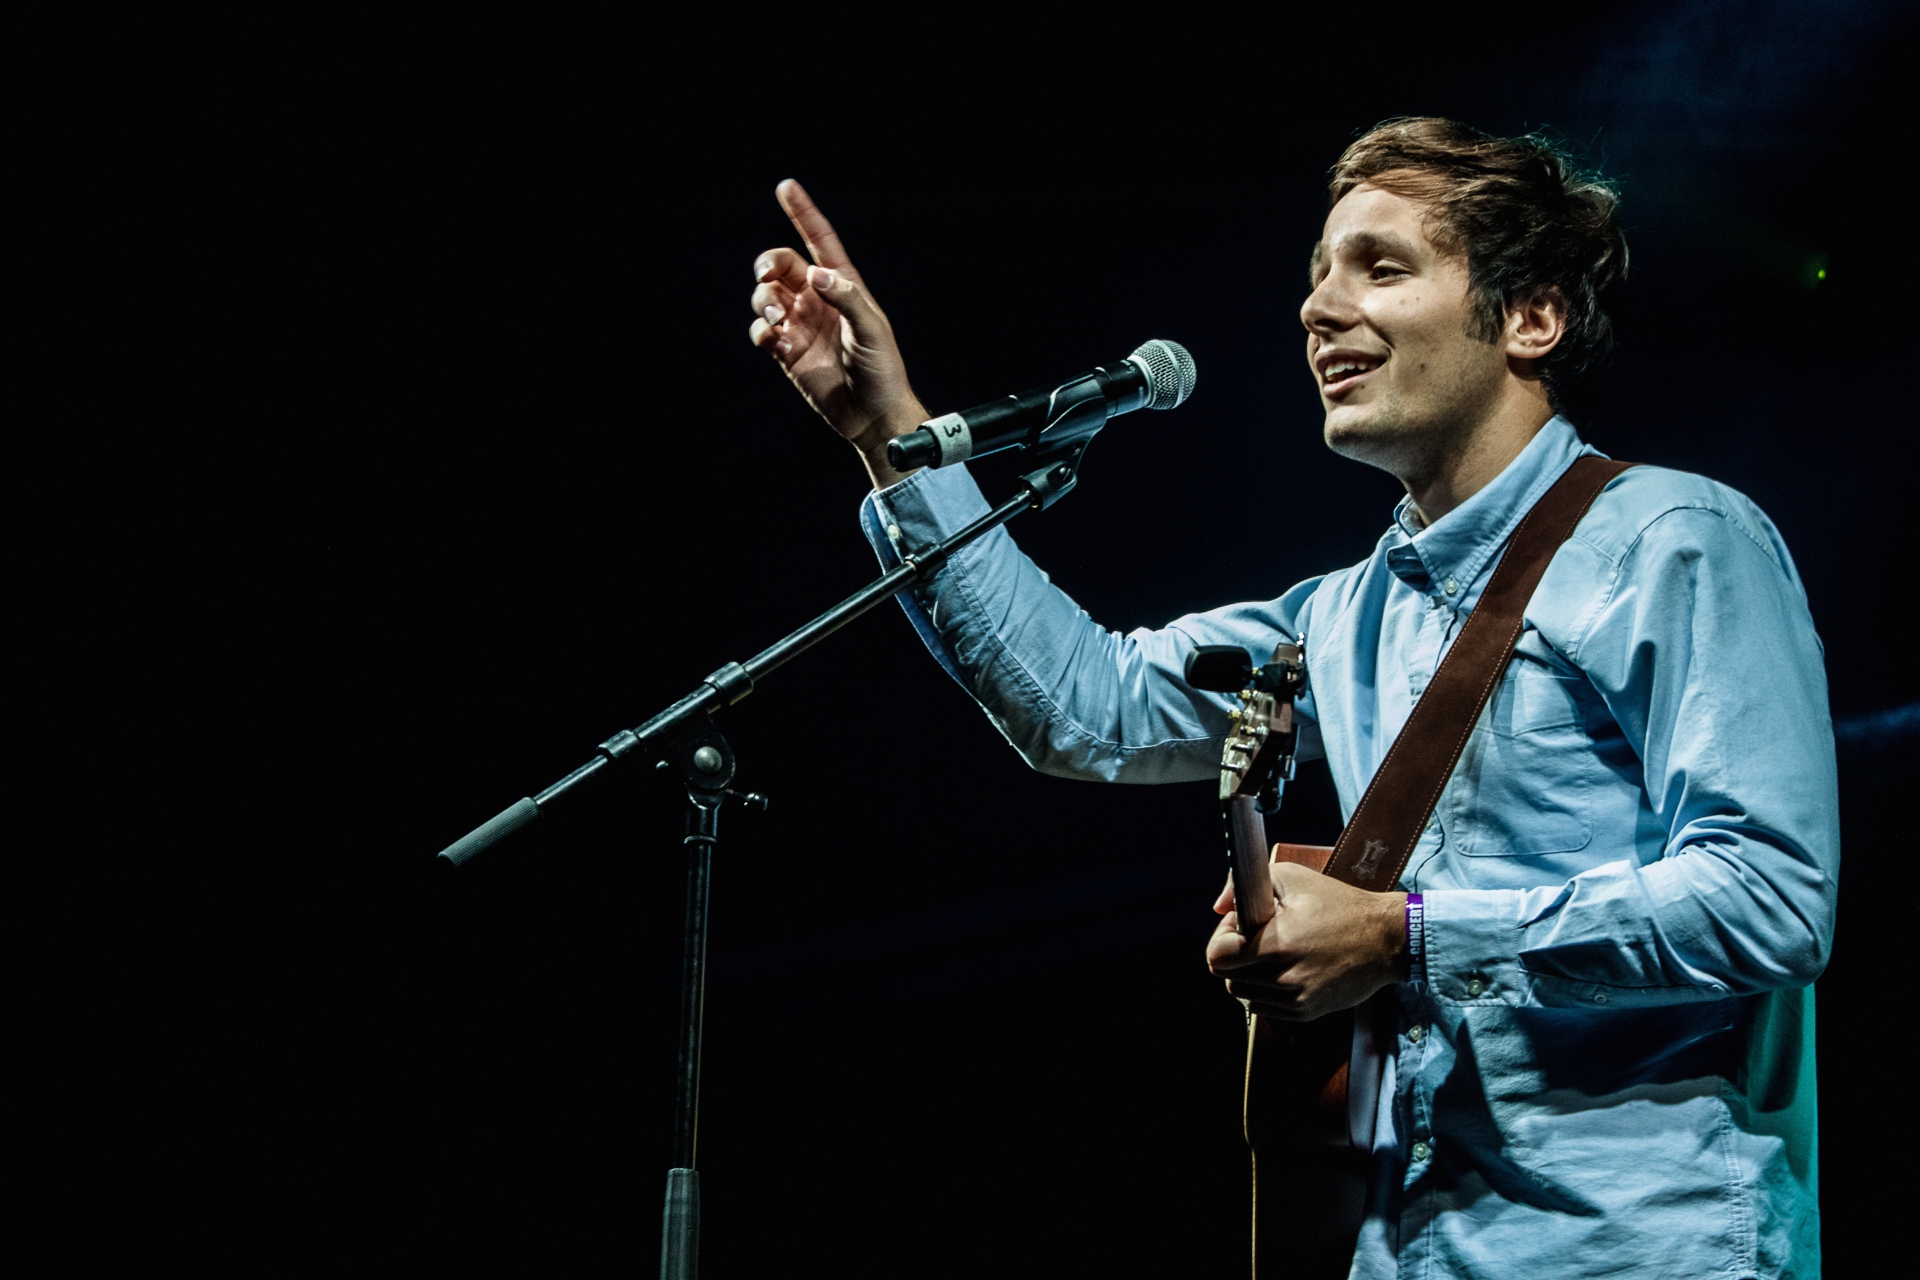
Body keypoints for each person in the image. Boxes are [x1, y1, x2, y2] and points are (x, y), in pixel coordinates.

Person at [746, 118, 1834, 1279]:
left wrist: (1402, 935)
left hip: (1639, 1250)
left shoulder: (1674, 537)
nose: (1318, 308)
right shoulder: (1343, 614)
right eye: (1317, 274)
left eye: (1381, 266)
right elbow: (1089, 707)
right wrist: (889, 432)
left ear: (1533, 316)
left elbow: (1771, 896)